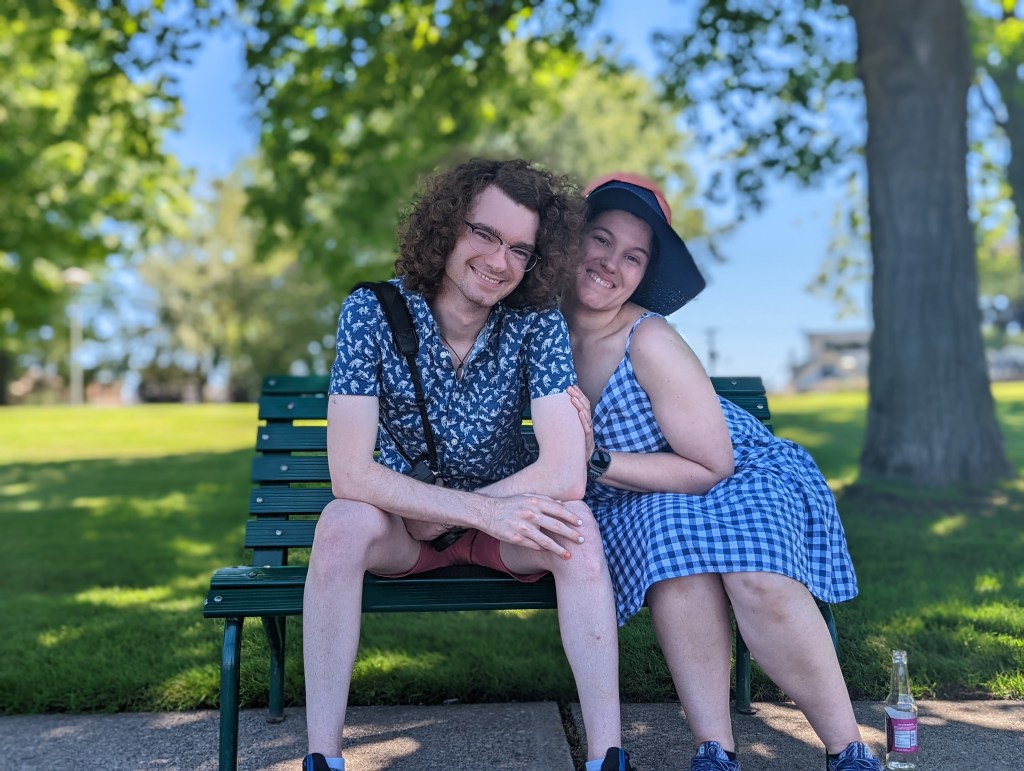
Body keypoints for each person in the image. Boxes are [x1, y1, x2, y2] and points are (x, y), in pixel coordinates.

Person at [303, 159, 633, 771]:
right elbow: (349, 474)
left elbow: (566, 473)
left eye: (519, 248)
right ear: (447, 227)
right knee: (340, 524)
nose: (499, 261)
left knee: (578, 530)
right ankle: (322, 757)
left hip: (502, 532)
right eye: (485, 233)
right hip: (405, 530)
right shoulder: (371, 312)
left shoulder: (536, 322)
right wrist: (472, 511)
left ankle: (606, 757)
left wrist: (477, 514)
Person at [560, 172, 883, 771]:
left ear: (643, 275)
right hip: (636, 494)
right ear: (571, 240)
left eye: (632, 257)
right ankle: (715, 751)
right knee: (672, 549)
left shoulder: (648, 339)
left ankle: (850, 750)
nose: (610, 264)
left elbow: (712, 465)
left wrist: (596, 460)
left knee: (754, 576)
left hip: (732, 471)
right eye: (601, 240)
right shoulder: (542, 329)